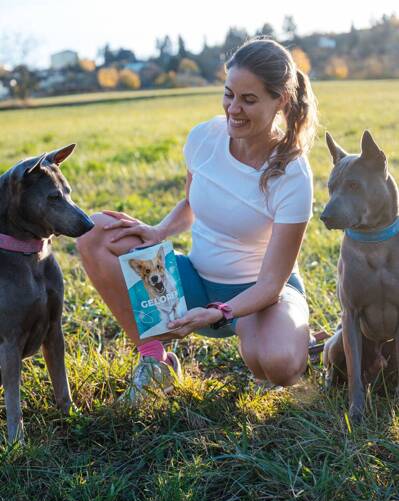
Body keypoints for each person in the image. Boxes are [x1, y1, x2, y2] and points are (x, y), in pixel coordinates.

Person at [77, 37, 318, 402]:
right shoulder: (205, 137)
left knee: (278, 364)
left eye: (249, 100)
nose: (233, 109)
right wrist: (158, 231)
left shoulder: (292, 174)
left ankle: (295, 337)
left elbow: (270, 283)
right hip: (195, 283)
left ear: (279, 100)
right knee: (98, 233)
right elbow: (191, 202)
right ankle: (156, 361)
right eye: (228, 94)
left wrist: (220, 313)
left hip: (261, 298)